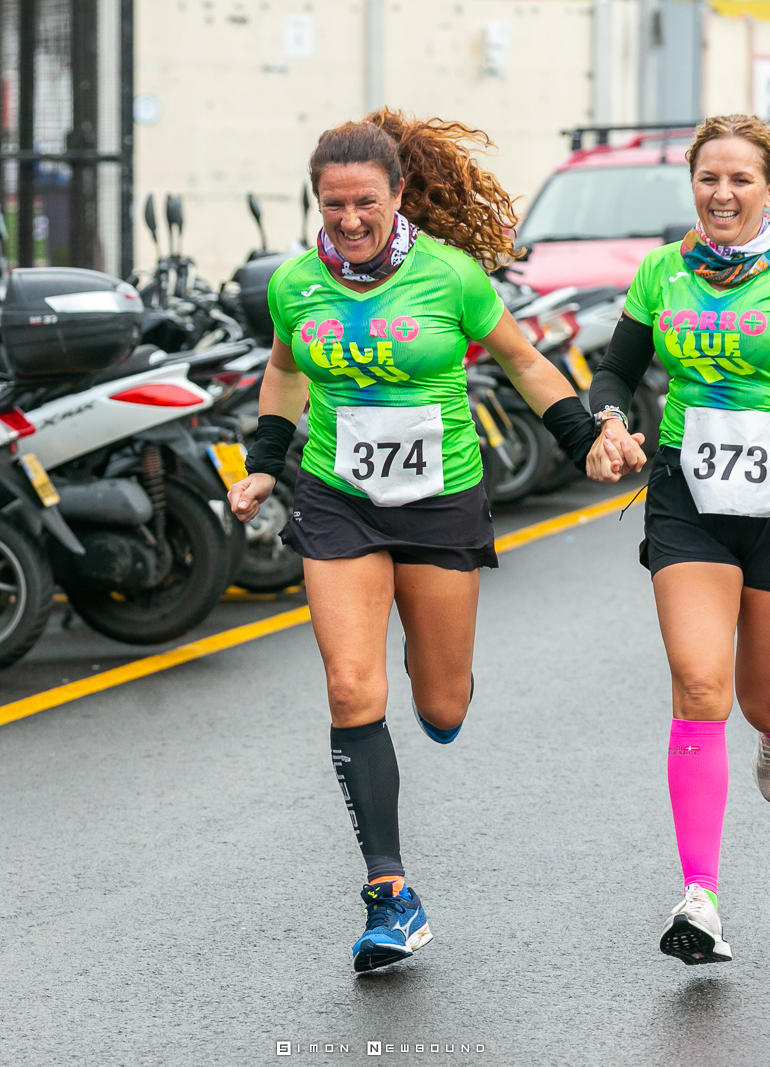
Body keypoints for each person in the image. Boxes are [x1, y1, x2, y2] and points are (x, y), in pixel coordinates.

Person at [226, 110, 605, 973]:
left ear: (398, 195)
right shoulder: (296, 284)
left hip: (439, 500)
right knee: (351, 686)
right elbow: (284, 369)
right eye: (332, 205)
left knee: (441, 705)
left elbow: (523, 360)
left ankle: (434, 675)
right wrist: (264, 466)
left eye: (365, 201)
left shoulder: (450, 274)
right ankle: (390, 893)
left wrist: (584, 438)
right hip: (338, 498)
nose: (349, 220)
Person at [586, 114, 770, 965]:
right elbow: (617, 369)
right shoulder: (663, 273)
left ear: (769, 188)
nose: (722, 194)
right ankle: (701, 897)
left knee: (760, 697)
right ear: (693, 184)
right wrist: (609, 417)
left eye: (740, 180)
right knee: (697, 684)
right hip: (687, 492)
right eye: (708, 179)